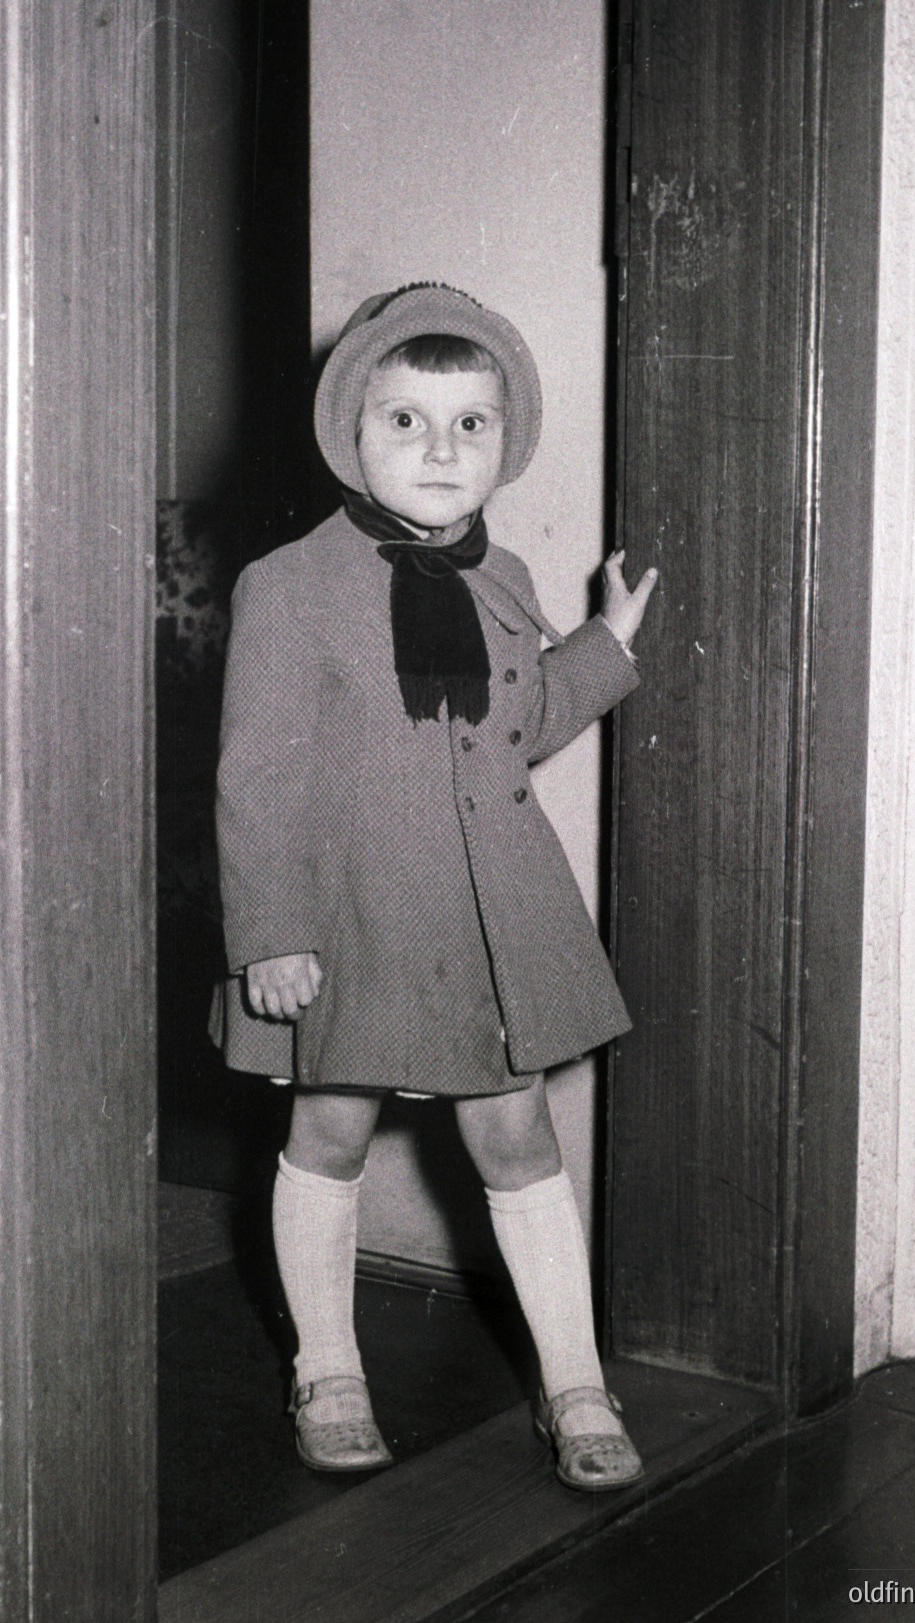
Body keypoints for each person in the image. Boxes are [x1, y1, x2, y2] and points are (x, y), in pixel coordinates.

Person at [212, 283, 658, 1492]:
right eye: (405, 421)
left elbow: (512, 727)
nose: (442, 450)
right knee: (330, 1126)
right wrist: (273, 934)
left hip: (487, 919)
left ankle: (575, 1382)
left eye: (472, 424)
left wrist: (603, 647)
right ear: (350, 433)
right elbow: (255, 777)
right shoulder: (290, 585)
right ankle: (329, 1370)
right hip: (347, 919)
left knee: (518, 1136)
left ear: (506, 443)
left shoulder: (501, 570)